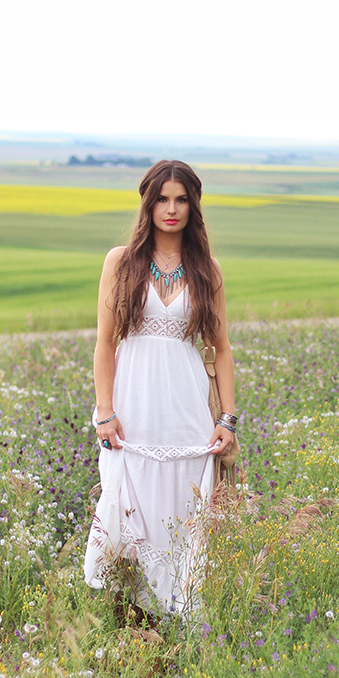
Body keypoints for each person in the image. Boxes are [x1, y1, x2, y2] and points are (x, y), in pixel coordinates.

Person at [83, 160, 237, 616]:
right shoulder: (120, 262)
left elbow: (222, 349)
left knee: (185, 521)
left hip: (188, 417)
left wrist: (227, 419)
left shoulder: (207, 268)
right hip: (132, 414)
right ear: (148, 204)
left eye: (182, 199)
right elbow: (105, 343)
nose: (172, 209)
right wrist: (104, 411)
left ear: (194, 206)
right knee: (129, 514)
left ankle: (182, 627)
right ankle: (129, 625)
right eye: (163, 199)